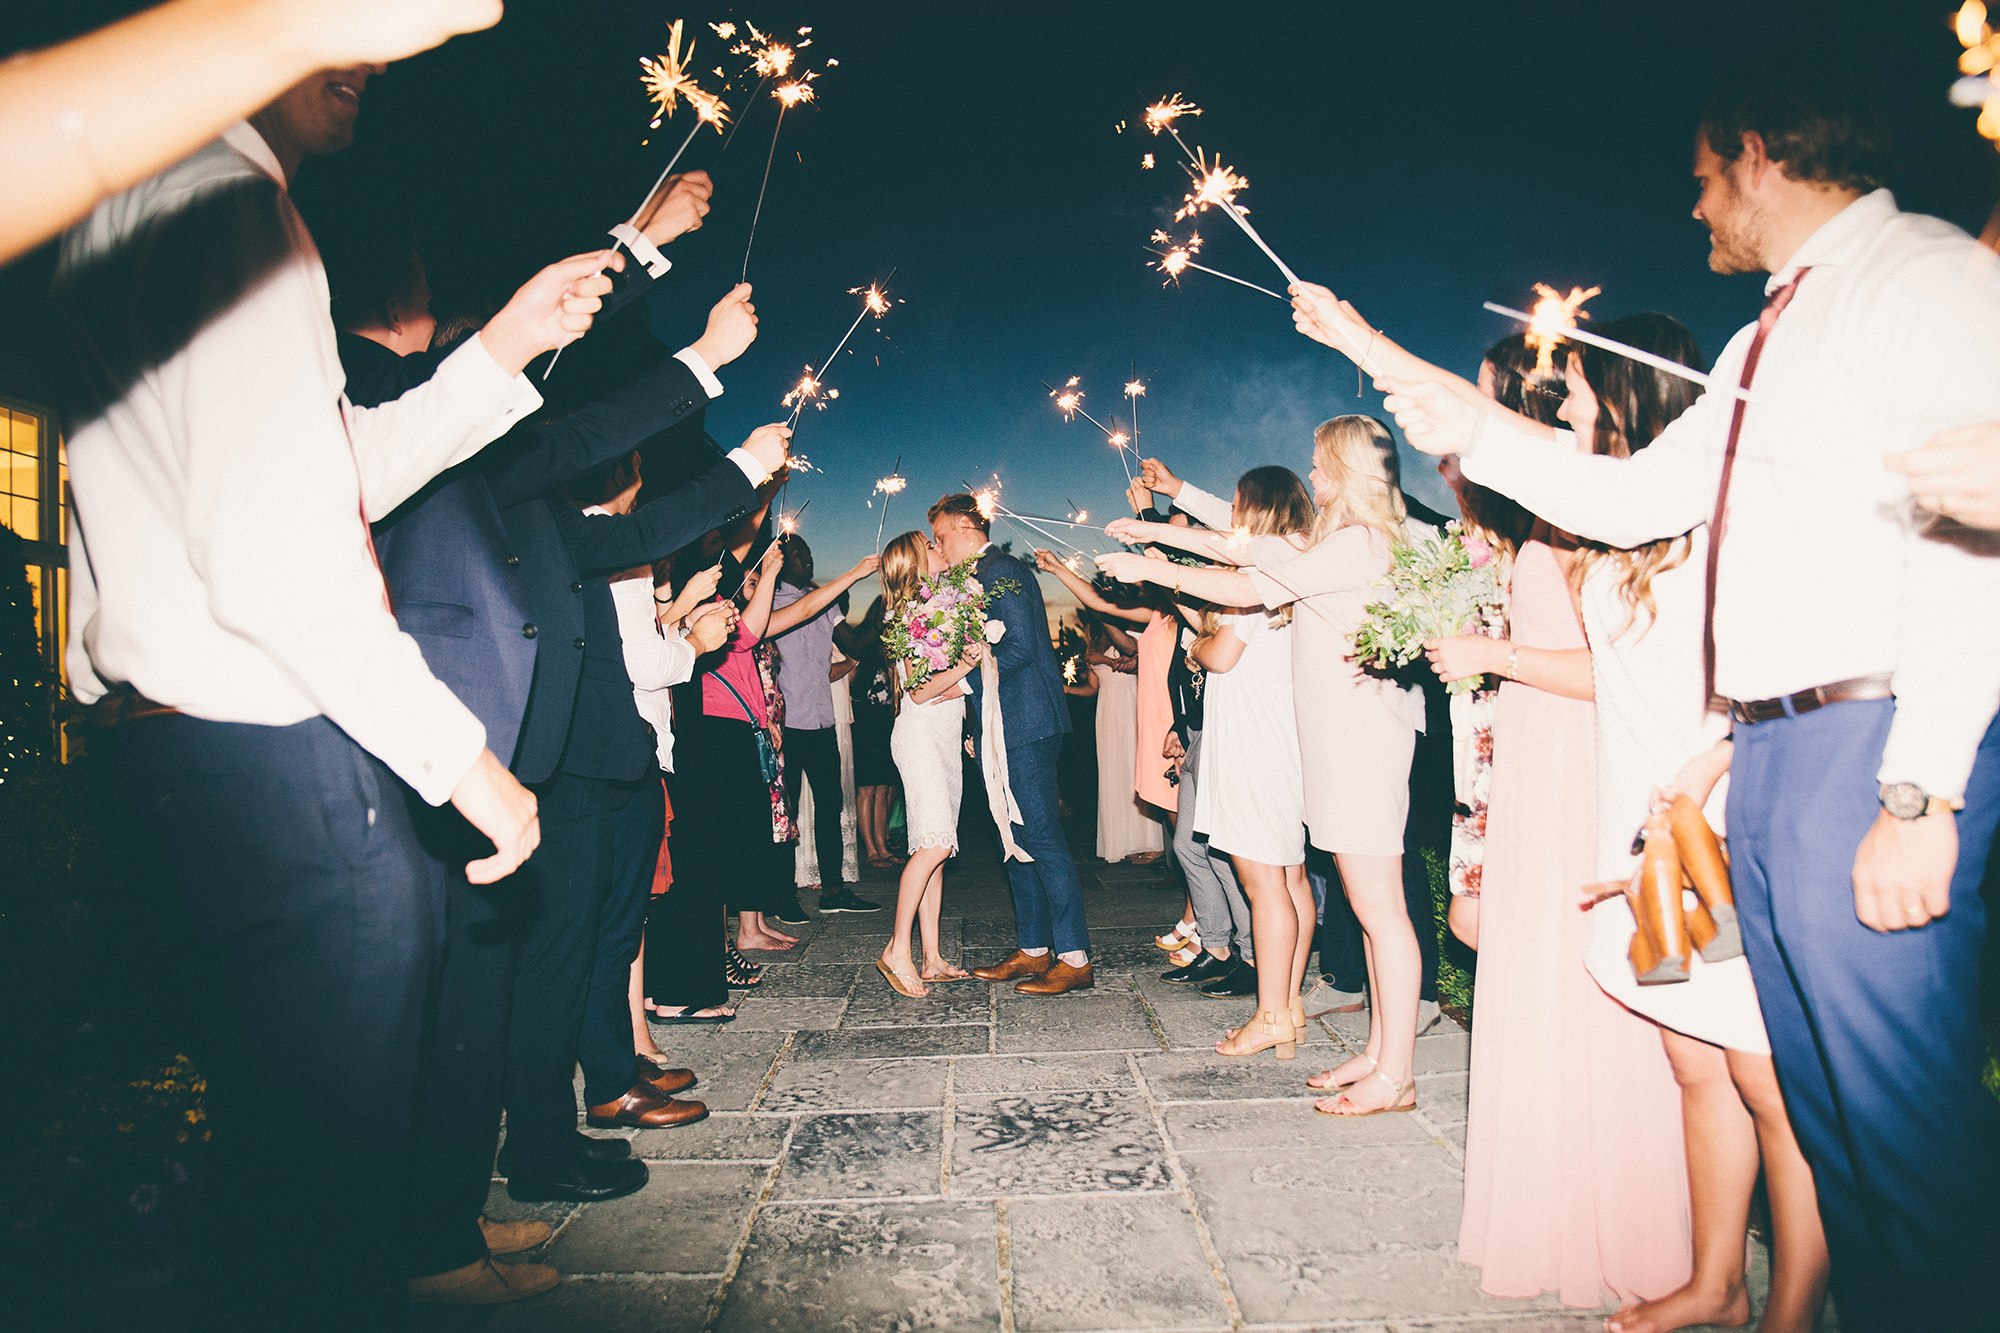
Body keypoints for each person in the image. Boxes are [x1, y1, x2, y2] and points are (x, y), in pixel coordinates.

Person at [1295, 62, 2000, 1330]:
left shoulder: (1925, 279)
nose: (1692, 212)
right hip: (1768, 751)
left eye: (1700, 181)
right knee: (1830, 1115)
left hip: (1866, 741)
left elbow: (1972, 541)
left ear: (1758, 153)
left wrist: (1923, 786)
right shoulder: (1764, 333)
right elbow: (1623, 500)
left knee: (1899, 1127)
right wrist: (1381, 358)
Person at [54, 66, 596, 1321]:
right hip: (271, 754)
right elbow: (277, 553)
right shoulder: (233, 208)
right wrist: (463, 761)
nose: (368, 52)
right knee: (320, 1217)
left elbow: (324, 468)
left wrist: (504, 344)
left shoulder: (121, 202)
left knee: (266, 1182)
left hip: (167, 758)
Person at [1548, 320, 1829, 1333]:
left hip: (1721, 813)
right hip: (1639, 820)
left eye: (1576, 385)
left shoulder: (1724, 514)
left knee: (1766, 1076)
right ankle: (1717, 1279)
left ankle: (1792, 1310)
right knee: (1691, 1057)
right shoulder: (1616, 518)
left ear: (1627, 390)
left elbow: (1776, 656)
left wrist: (1706, 768)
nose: (1562, 401)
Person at [1104, 424, 1427, 1113]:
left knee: (1383, 913)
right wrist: (1161, 526)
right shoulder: (1343, 543)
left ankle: (1395, 1073)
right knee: (1370, 913)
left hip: (1360, 743)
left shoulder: (1358, 545)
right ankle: (1377, 1051)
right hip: (1340, 744)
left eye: (1322, 464)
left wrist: (1154, 566)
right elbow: (1237, 541)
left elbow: (1246, 577)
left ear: (1346, 468)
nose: (1315, 475)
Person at [0, 0, 503, 264]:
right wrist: (278, 28)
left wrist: (509, 343)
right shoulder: (218, 197)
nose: (376, 64)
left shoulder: (234, 195)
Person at [930, 494, 1096, 996]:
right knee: (1012, 836)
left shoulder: (1001, 570)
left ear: (963, 526)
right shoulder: (970, 579)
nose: (939, 547)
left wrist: (960, 649)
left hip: (1025, 720)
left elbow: (1020, 645)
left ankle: (1074, 955)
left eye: (940, 536)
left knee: (1040, 834)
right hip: (998, 723)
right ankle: (1034, 947)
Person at [875, 531, 984, 995]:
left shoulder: (936, 606)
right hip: (919, 737)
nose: (941, 547)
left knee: (935, 848)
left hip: (940, 737)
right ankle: (897, 948)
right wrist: (967, 665)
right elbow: (920, 690)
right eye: (932, 545)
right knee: (934, 845)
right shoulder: (908, 615)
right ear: (919, 562)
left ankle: (932, 956)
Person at [771, 536, 884, 918]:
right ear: (782, 561)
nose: (809, 559)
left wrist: (880, 619)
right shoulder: (771, 604)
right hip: (786, 723)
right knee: (785, 811)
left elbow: (854, 643)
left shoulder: (824, 604)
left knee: (830, 805)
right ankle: (783, 895)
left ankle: (833, 890)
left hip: (821, 721)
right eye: (801, 554)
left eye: (810, 552)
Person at [1084, 610, 1166, 862]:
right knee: (1114, 773)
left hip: (1130, 705)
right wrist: (1063, 687)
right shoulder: (1093, 640)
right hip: (1107, 711)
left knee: (1134, 769)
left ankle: (1152, 842)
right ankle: (1122, 842)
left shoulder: (1129, 634)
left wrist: (1104, 660)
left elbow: (1136, 665)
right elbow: (1091, 687)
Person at [849, 596, 902, 869]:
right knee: (867, 788)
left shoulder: (892, 645)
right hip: (865, 720)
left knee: (883, 787)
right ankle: (870, 849)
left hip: (886, 720)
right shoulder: (863, 643)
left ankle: (882, 845)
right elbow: (853, 683)